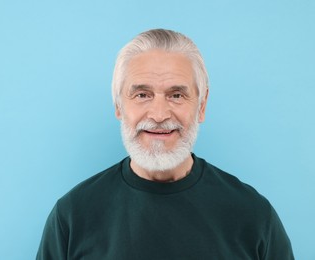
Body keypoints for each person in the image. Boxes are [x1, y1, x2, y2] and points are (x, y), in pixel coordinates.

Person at [36, 29, 294, 259]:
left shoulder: (253, 215)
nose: (159, 114)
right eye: (142, 95)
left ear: (201, 106)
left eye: (176, 95)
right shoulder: (72, 216)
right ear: (118, 106)